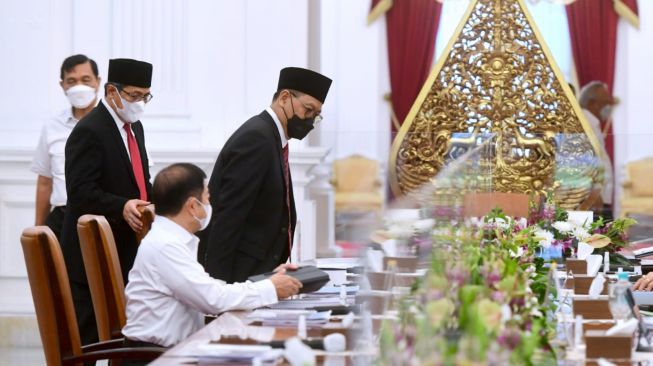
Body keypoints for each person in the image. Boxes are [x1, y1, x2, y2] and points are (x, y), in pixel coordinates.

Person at [122, 163, 302, 356]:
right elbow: (212, 299)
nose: (209, 204)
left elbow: (207, 288)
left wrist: (267, 280)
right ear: (192, 205)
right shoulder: (165, 246)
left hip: (177, 351)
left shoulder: (173, 239)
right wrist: (270, 288)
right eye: (207, 197)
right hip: (155, 357)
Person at [201, 67, 332, 283]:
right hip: (239, 274)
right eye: (308, 110)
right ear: (284, 98)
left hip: (258, 272)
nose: (309, 121)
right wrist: (218, 285)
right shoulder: (257, 138)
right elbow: (230, 214)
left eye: (315, 116)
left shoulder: (271, 136)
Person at [61, 58, 154, 346]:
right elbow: (80, 192)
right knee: (87, 341)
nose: (140, 103)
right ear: (112, 92)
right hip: (91, 256)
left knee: (126, 336)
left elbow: (141, 181)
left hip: (126, 250)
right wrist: (121, 205)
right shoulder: (90, 130)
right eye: (134, 96)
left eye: (146, 96)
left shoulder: (134, 127)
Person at [31, 54, 101, 240]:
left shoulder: (114, 123)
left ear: (98, 82)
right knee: (52, 268)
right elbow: (45, 181)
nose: (79, 86)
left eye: (86, 80)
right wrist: (39, 227)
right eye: (72, 81)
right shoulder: (52, 126)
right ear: (62, 85)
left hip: (101, 218)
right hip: (61, 217)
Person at [578, 81, 616, 219]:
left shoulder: (593, 122)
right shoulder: (585, 121)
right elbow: (582, 160)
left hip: (599, 197)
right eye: (605, 103)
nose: (609, 107)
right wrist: (592, 191)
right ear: (592, 103)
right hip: (593, 198)